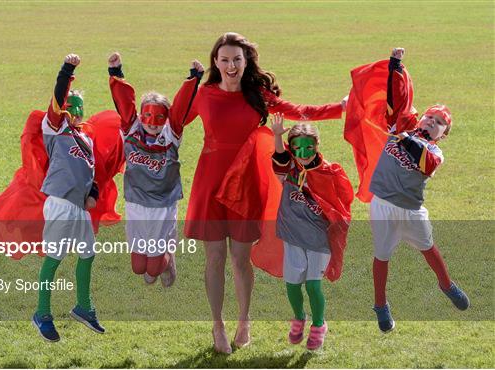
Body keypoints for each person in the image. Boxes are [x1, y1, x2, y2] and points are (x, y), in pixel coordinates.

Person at [182, 32, 347, 353]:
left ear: (247, 62)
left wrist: (339, 108)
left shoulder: (258, 96)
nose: (231, 65)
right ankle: (217, 325)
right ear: (216, 62)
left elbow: (300, 111)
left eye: (237, 59)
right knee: (214, 259)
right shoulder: (203, 94)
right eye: (225, 59)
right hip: (209, 183)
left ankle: (244, 320)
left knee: (240, 260)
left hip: (246, 187)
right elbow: (173, 122)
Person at [369, 48, 470, 333]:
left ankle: (446, 285)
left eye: (439, 123)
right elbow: (397, 99)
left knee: (427, 247)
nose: (431, 123)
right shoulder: (404, 127)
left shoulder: (435, 151)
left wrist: (403, 138)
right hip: (382, 205)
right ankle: (380, 304)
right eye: (430, 117)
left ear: (444, 135)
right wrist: (395, 65)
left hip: (411, 210)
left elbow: (424, 162)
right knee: (382, 255)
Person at [107, 52, 204, 287]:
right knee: (139, 268)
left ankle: (168, 259)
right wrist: (115, 71)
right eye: (148, 116)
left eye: (159, 117)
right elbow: (124, 103)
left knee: (153, 269)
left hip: (163, 204)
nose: (152, 122)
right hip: (137, 202)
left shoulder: (171, 134)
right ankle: (161, 259)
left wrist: (194, 78)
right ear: (141, 116)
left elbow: (181, 108)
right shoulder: (131, 129)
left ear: (167, 119)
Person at [33, 54, 104, 342]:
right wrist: (67, 70)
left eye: (79, 110)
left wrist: (94, 194)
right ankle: (42, 313)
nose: (74, 114)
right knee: (55, 258)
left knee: (88, 253)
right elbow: (58, 95)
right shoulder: (55, 128)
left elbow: (92, 172)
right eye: (69, 108)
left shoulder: (87, 139)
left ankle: (83, 307)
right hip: (60, 203)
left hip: (79, 207)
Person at [271, 114, 353, 350]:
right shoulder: (288, 171)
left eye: (309, 147)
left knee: (313, 285)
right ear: (291, 148)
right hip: (293, 236)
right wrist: (277, 136)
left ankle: (319, 325)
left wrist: (337, 221)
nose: (303, 153)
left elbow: (342, 202)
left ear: (317, 146)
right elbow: (279, 158)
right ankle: (298, 317)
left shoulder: (330, 172)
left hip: (319, 239)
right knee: (293, 283)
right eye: (297, 148)